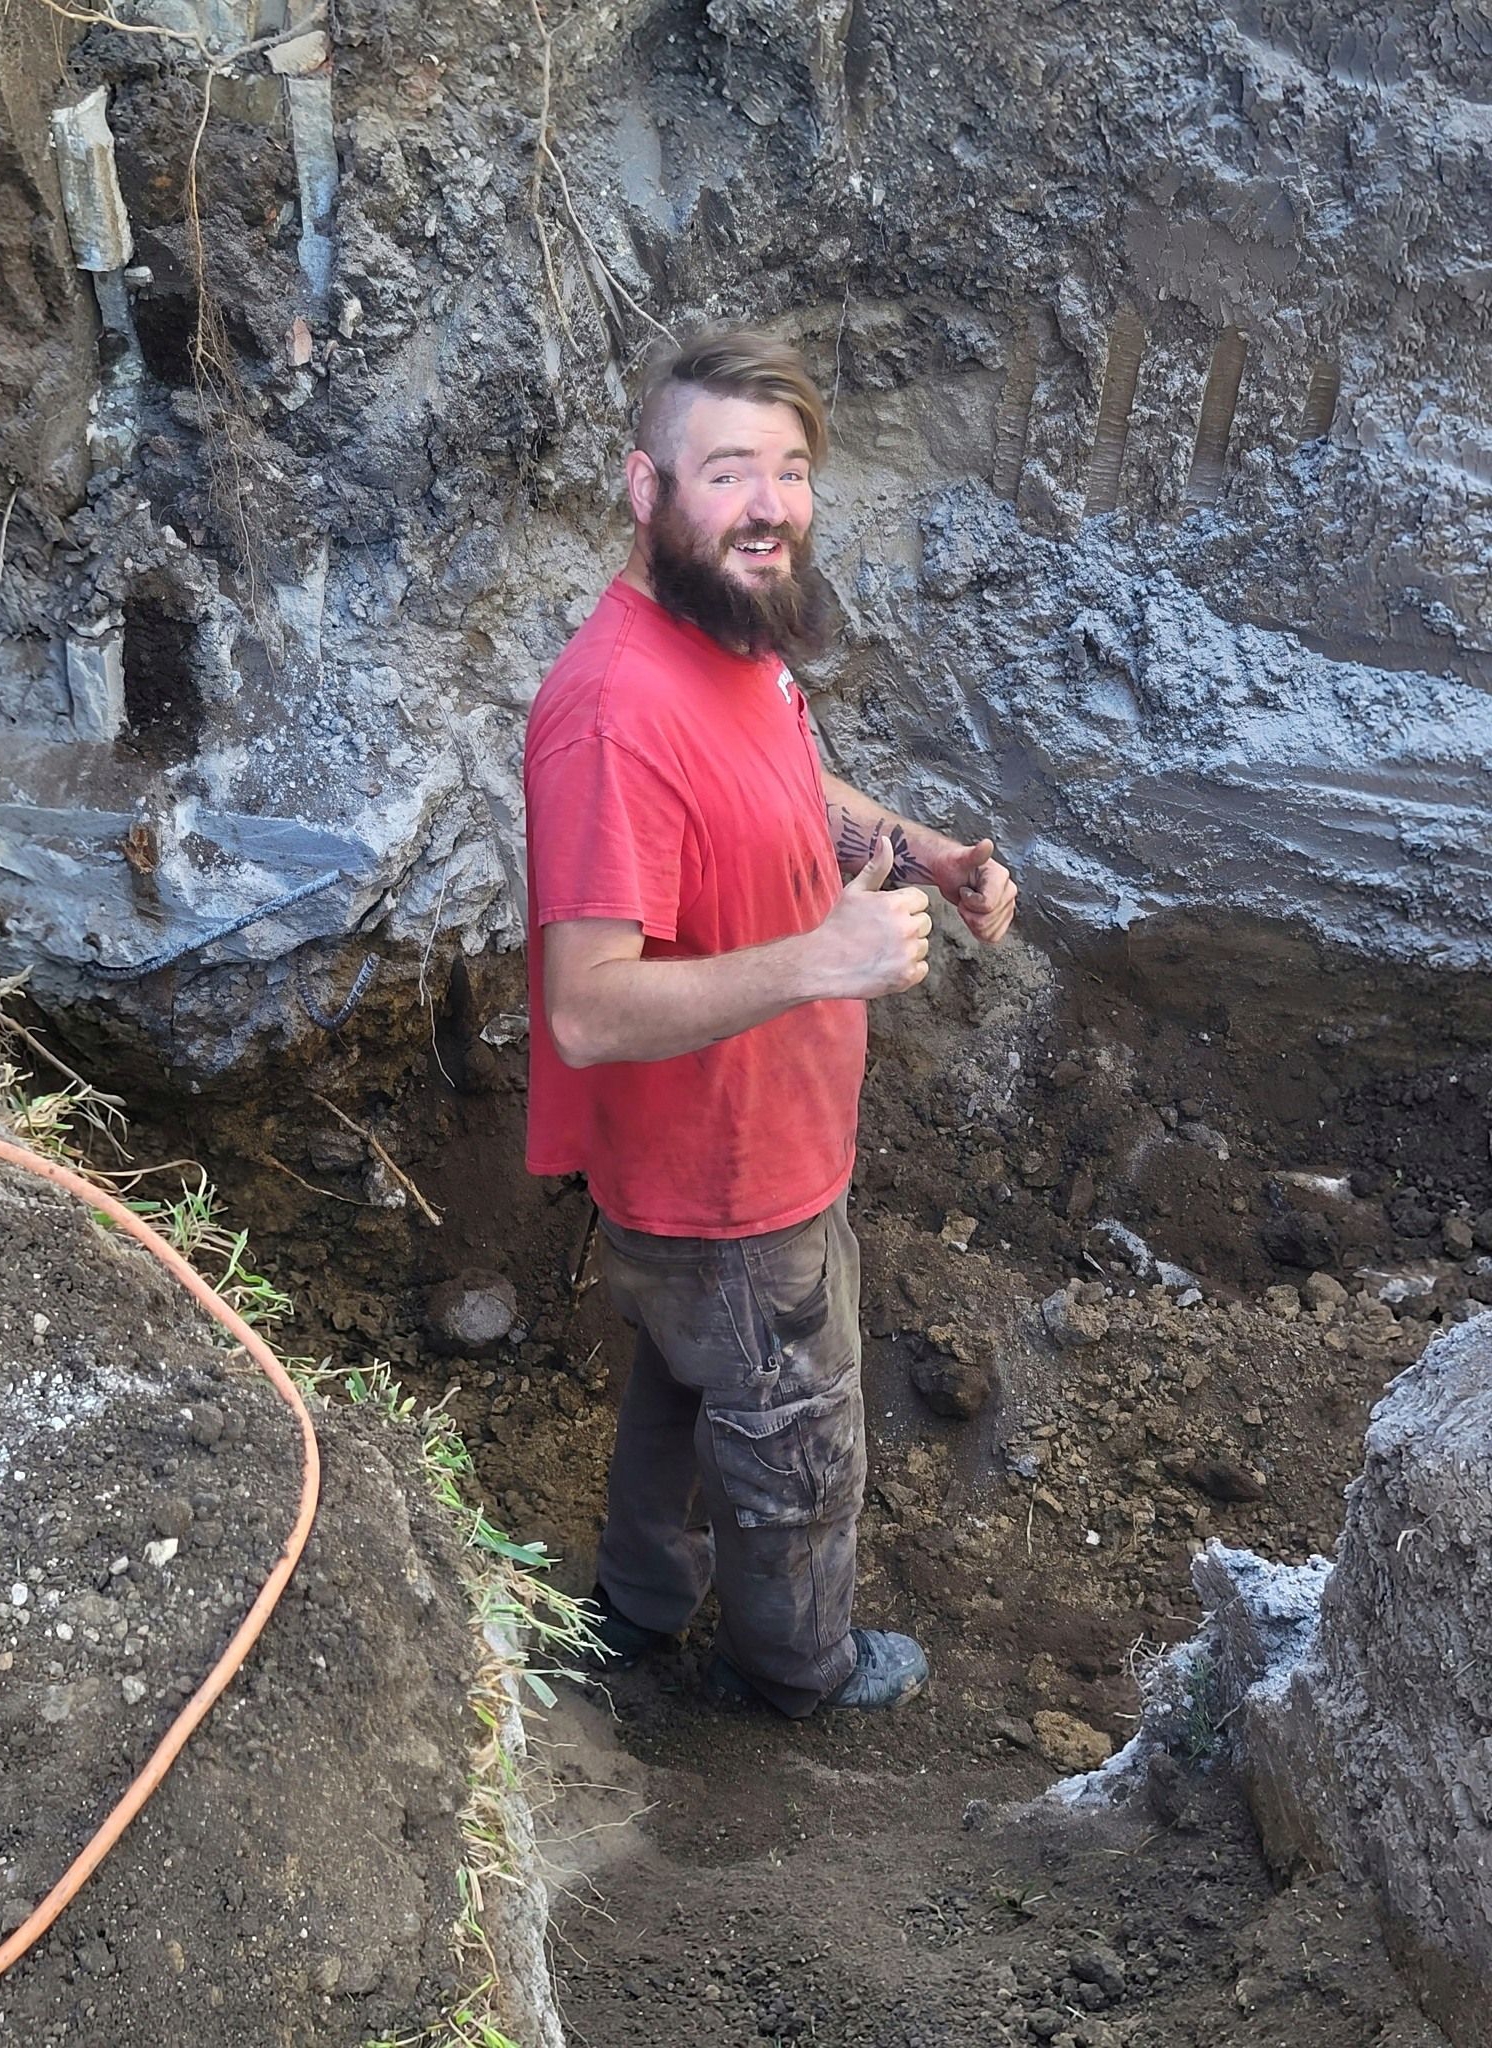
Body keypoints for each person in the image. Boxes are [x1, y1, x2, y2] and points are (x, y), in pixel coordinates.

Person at [521, 327, 1017, 1717]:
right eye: (728, 469)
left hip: (742, 1158)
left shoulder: (726, 635)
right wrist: (819, 960)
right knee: (796, 1427)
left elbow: (794, 791)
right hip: (727, 1184)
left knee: (690, 1387)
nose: (771, 504)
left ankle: (635, 1602)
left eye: (791, 470)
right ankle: (794, 1671)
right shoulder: (614, 715)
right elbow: (589, 1008)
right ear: (643, 486)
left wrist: (923, 857)